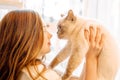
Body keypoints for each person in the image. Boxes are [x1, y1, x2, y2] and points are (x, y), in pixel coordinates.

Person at [0, 10, 104, 80]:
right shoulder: (39, 76)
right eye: (44, 29)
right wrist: (91, 59)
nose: (50, 35)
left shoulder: (22, 69)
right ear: (26, 37)